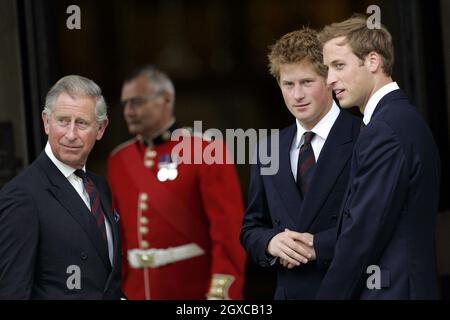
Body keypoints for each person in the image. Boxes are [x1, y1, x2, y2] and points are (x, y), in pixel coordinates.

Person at [316, 14, 441, 299]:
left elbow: (362, 235)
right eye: (327, 69)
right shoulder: (396, 120)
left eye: (338, 66)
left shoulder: (386, 129)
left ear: (373, 61)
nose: (330, 80)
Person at [240, 28, 361, 299]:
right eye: (288, 84)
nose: (297, 95)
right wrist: (271, 242)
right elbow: (251, 227)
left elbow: (375, 224)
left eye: (307, 82)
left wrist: (317, 245)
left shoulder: (363, 137)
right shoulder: (268, 148)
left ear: (329, 79)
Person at [107, 65, 246, 300]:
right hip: (135, 291)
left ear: (166, 99)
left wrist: (221, 293)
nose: (129, 111)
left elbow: (228, 234)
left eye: (137, 102)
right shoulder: (119, 160)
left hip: (191, 293)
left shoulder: (205, 151)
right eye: (125, 104)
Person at [0, 75, 124, 299]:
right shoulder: (22, 196)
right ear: (46, 122)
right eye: (63, 121)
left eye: (82, 123)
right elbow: (12, 292)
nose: (71, 134)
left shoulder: (100, 187)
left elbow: (105, 281)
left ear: (100, 128)